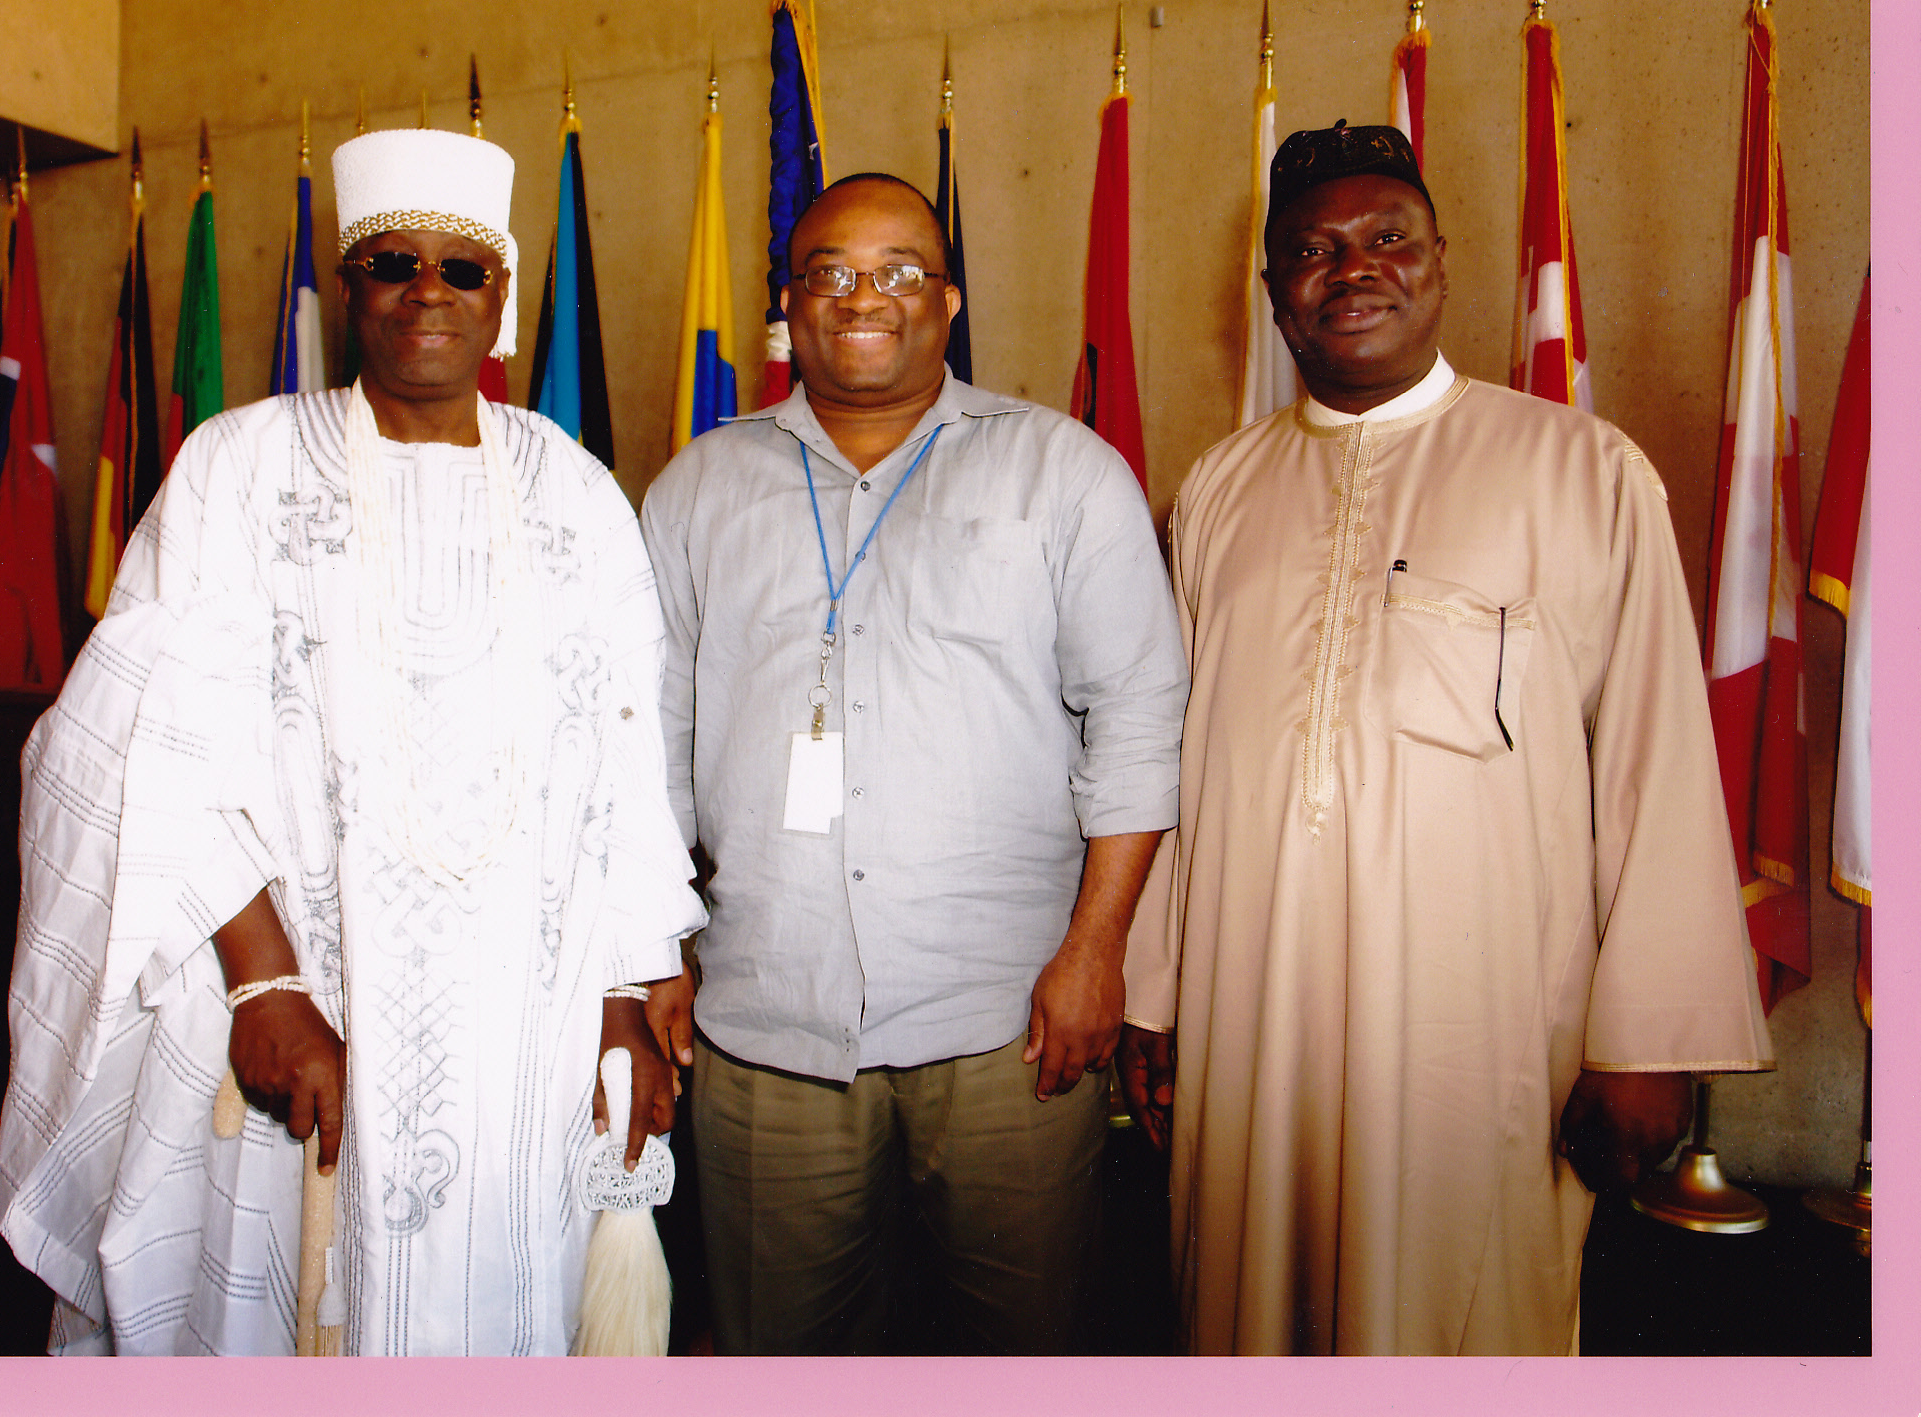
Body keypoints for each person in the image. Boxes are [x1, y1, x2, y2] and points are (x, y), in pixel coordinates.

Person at [0, 128, 703, 1356]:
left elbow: (623, 761)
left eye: (461, 267)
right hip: (294, 993)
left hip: (520, 1023)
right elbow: (138, 738)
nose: (428, 289)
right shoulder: (240, 464)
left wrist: (622, 994)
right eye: (391, 261)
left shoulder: (578, 492)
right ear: (353, 286)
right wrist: (263, 979)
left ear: (504, 295)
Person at [1118, 122, 1774, 1356]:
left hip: (1476, 1026)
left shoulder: (1580, 469)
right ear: (1274, 295)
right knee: (1243, 1306)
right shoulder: (1216, 488)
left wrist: (1644, 1042)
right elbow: (1176, 756)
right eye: (1312, 250)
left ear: (1439, 262)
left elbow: (1655, 759)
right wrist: (1152, 993)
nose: (1351, 268)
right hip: (1249, 1008)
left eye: (1385, 240)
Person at [639, 173, 1187, 1354]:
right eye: (831, 271)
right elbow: (647, 748)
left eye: (897, 271)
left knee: (1020, 1347)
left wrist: (1098, 953)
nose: (863, 296)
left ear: (946, 300)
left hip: (1008, 1024)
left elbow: (1138, 718)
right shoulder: (696, 489)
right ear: (789, 304)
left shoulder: (1062, 473)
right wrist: (650, 950)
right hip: (762, 1023)